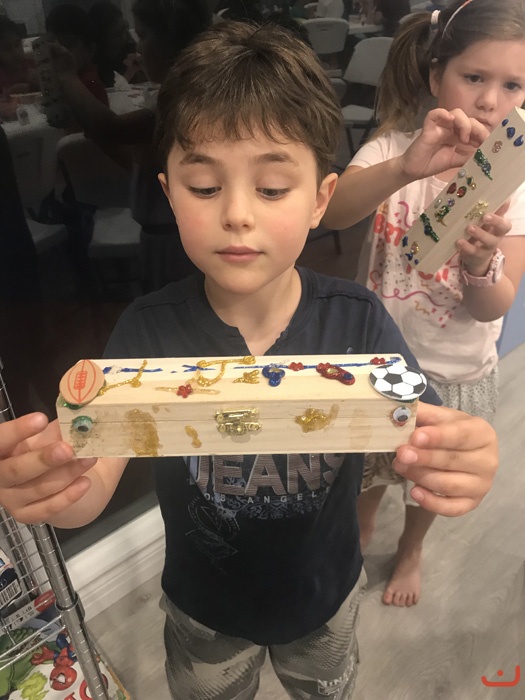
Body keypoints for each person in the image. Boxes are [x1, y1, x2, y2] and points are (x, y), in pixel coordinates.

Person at [0, 21, 499, 700]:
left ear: (320, 199)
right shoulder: (148, 331)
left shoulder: (357, 320)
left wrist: (459, 459)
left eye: (271, 188)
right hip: (205, 608)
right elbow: (90, 484)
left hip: (324, 596)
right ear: (169, 193)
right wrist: (55, 489)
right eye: (205, 187)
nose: (237, 213)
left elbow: (423, 439)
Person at [323, 0, 525, 608]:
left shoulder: (517, 189)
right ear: (437, 76)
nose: (489, 101)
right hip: (378, 361)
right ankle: (362, 522)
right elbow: (332, 214)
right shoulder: (393, 151)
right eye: (474, 77)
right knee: (368, 464)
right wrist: (405, 170)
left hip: (452, 370)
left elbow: (493, 308)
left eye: (512, 85)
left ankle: (411, 547)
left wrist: (479, 264)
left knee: (427, 479)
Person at [50, 0, 212, 291]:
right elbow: (136, 163)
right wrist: (96, 132)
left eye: (144, 35)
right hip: (165, 236)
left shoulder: (181, 101)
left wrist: (67, 77)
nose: (137, 47)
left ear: (172, 43)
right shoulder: (187, 93)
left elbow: (112, 129)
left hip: (177, 243)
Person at [45, 3, 109, 106]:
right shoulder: (56, 77)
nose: (59, 52)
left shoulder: (90, 82)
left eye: (67, 46)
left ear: (90, 50)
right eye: (52, 46)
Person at [88, 1, 145, 88]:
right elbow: (108, 91)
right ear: (102, 38)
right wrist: (128, 75)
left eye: (124, 27)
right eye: (115, 35)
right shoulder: (95, 63)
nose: (124, 36)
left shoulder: (129, 46)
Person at [0, 16, 39, 96]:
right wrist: (11, 92)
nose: (15, 53)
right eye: (7, 48)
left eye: (17, 45)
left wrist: (39, 83)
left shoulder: (33, 64)